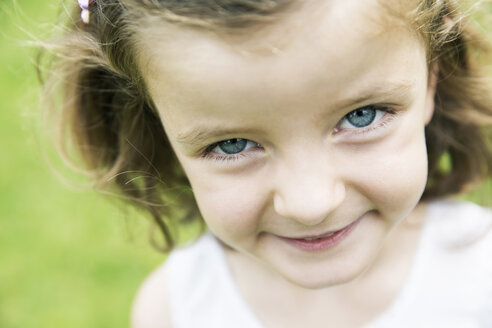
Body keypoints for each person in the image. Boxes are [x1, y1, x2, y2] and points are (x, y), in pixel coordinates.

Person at [40, 0, 492, 327]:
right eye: (233, 144)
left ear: (431, 78)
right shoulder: (175, 310)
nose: (310, 203)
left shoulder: (481, 278)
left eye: (362, 115)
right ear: (158, 126)